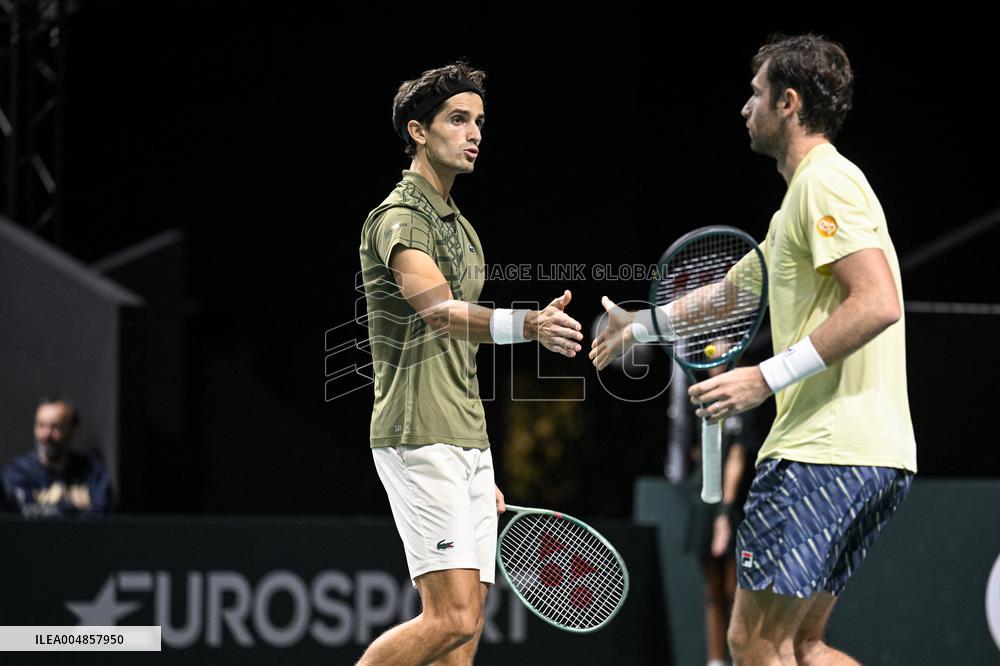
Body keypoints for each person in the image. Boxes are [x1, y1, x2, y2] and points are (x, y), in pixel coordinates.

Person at [591, 33, 916, 665]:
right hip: (873, 454)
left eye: (756, 93)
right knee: (804, 645)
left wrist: (764, 377)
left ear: (788, 103)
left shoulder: (826, 183)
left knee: (753, 643)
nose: (745, 107)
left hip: (822, 451)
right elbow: (730, 295)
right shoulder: (801, 200)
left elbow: (877, 301)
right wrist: (641, 325)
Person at [356, 61, 583, 666]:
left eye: (479, 121)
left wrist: (477, 464)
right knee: (452, 617)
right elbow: (437, 311)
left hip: (464, 441)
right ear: (418, 131)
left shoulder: (463, 230)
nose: (474, 133)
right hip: (418, 434)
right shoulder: (399, 219)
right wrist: (528, 324)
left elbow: (461, 348)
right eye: (458, 119)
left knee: (462, 640)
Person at [2, 398, 113, 517]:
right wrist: (73, 507)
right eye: (41, 425)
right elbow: (20, 515)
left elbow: (103, 515)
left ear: (72, 430)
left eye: (55, 427)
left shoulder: (91, 471)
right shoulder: (18, 472)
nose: (46, 434)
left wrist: (48, 507)